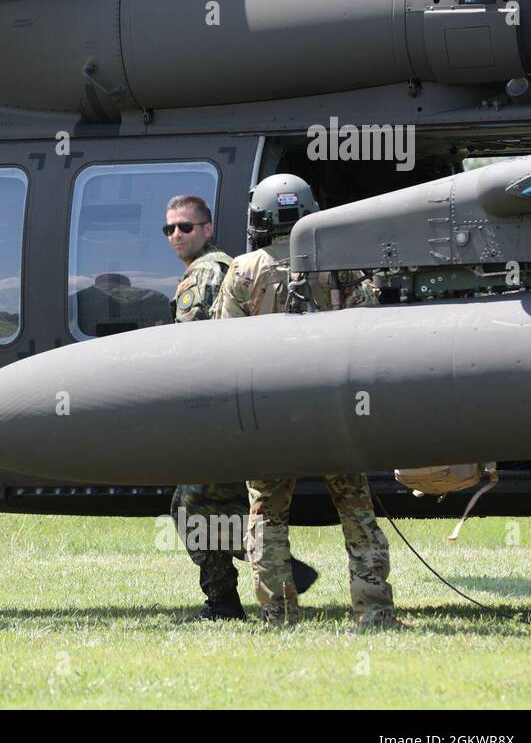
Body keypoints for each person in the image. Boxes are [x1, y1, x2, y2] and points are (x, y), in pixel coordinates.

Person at [217, 174, 400, 629]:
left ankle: (280, 616)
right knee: (356, 510)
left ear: (259, 217)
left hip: (267, 416)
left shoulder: (242, 271)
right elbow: (370, 330)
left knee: (267, 516)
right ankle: (373, 612)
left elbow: (218, 344)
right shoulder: (338, 265)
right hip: (334, 414)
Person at [164, 194, 316, 620]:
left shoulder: (204, 275)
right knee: (211, 505)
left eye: (186, 227)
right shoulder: (228, 266)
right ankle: (242, 591)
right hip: (238, 414)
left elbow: (193, 348)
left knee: (189, 506)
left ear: (207, 229)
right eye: (170, 229)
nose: (177, 235)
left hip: (216, 415)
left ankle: (231, 598)